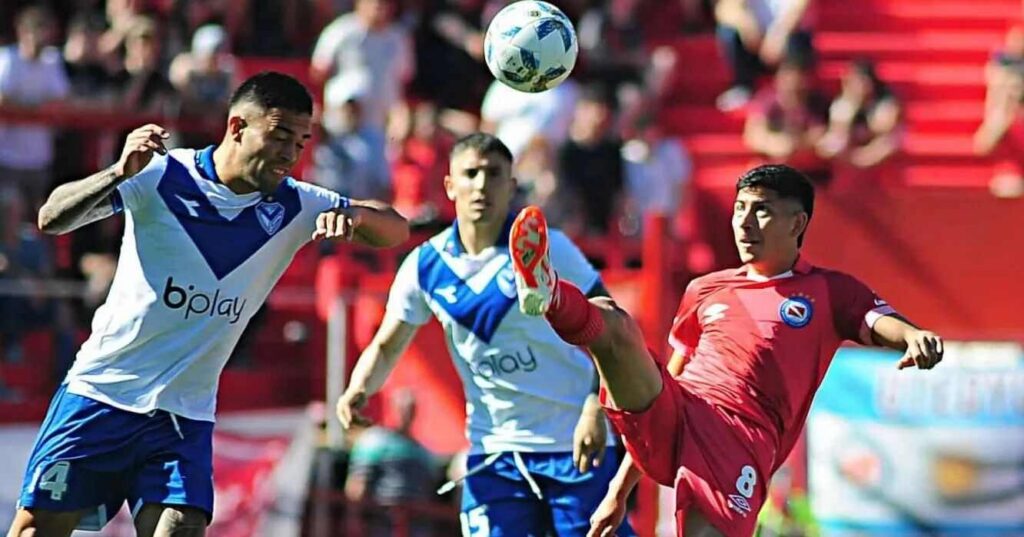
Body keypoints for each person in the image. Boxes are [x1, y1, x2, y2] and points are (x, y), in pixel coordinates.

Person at [8, 71, 409, 537]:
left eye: (300, 142)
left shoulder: (298, 205)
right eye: (279, 136)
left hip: (183, 415)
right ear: (237, 126)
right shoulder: (160, 175)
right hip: (102, 393)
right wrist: (119, 172)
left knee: (182, 529)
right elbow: (51, 218)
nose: (290, 154)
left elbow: (396, 228)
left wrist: (356, 215)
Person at [507, 164, 944, 536]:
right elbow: (670, 379)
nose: (745, 222)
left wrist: (911, 336)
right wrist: (617, 493)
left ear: (797, 224)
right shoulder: (704, 289)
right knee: (613, 322)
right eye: (740, 209)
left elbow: (876, 321)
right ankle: (549, 295)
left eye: (762, 211)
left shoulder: (828, 291)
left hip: (737, 439)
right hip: (678, 408)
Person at [335, 132, 636, 537]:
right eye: (471, 173)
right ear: (449, 185)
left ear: (511, 186)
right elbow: (388, 343)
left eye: (494, 174)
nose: (481, 185)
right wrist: (359, 388)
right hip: (492, 451)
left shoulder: (548, 249)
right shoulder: (424, 265)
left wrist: (594, 410)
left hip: (573, 443)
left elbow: (610, 326)